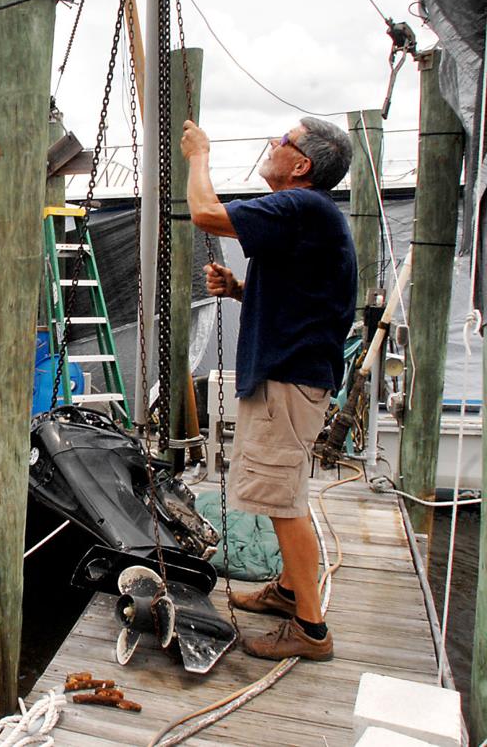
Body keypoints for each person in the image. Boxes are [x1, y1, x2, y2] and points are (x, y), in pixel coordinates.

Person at [181, 116, 355, 661]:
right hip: (290, 375)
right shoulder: (309, 215)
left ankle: (311, 629)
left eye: (283, 141)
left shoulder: (302, 205)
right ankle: (287, 590)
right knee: (283, 490)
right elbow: (304, 294)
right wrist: (239, 289)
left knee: (283, 501)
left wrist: (199, 156)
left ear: (301, 165)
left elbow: (205, 213)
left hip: (288, 380)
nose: (273, 145)